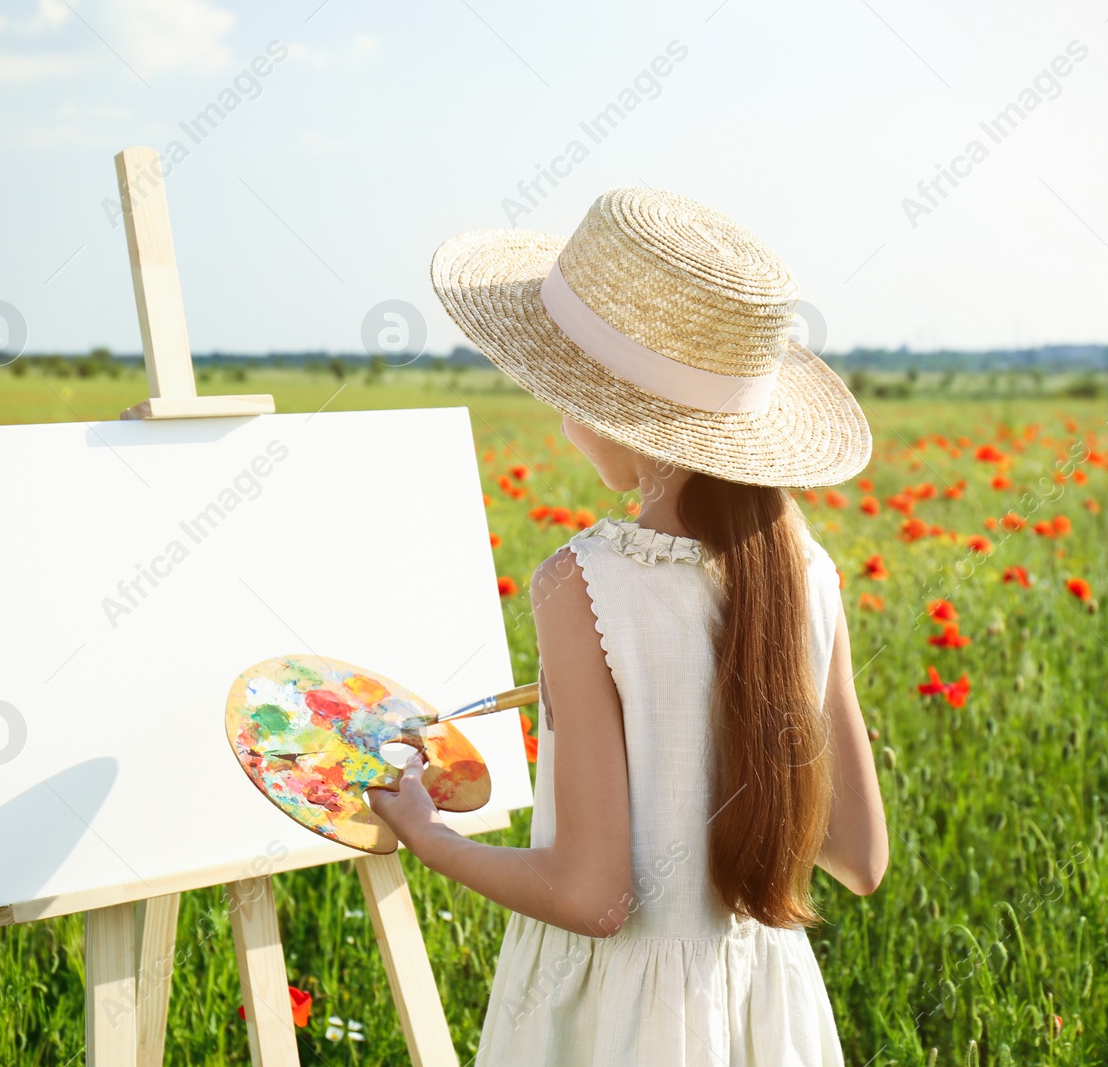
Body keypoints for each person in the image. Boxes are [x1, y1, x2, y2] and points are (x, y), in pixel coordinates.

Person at [367, 187, 889, 1066]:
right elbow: (859, 855)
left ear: (619, 412)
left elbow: (594, 897)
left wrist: (429, 835)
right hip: (764, 1012)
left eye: (565, 390)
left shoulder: (586, 585)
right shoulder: (808, 573)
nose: (562, 419)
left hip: (617, 1024)